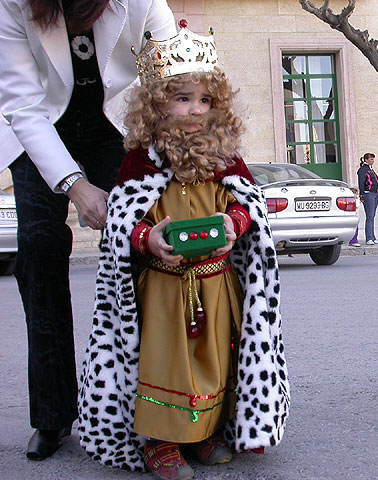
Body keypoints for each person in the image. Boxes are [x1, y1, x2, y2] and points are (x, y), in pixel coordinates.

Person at [76, 23, 290, 477]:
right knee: (166, 359)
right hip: (163, 285)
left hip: (216, 283)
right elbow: (121, 222)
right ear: (156, 104)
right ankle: (162, 440)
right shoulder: (141, 160)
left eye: (205, 100)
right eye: (183, 98)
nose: (195, 110)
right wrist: (146, 238)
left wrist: (234, 224)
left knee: (215, 356)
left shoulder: (226, 155)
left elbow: (248, 205)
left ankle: (207, 431)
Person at [0, 0, 176, 461]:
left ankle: (146, 405)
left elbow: (172, 81)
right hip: (41, 124)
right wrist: (76, 188)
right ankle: (52, 415)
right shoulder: (14, 5)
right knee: (38, 251)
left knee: (139, 252)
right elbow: (22, 105)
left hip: (118, 125)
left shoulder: (142, 1)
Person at [357, 153, 378, 245]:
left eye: (373, 159)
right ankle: (369, 238)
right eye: (371, 159)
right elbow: (361, 183)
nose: (373, 161)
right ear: (366, 160)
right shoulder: (363, 170)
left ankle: (373, 237)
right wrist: (362, 195)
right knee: (370, 216)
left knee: (372, 216)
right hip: (368, 194)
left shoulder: (371, 169)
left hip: (375, 193)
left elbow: (375, 180)